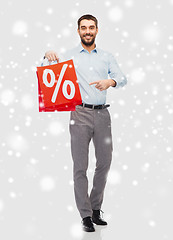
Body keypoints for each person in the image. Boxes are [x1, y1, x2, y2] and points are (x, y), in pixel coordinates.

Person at [43, 14, 127, 232]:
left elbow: (122, 78)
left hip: (102, 116)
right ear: (78, 30)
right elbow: (47, 74)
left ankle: (95, 208)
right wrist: (47, 55)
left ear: (97, 30)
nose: (87, 31)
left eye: (91, 27)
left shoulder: (107, 57)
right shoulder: (69, 56)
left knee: (105, 163)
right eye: (83, 28)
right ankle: (86, 215)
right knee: (80, 166)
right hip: (79, 114)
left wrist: (111, 81)